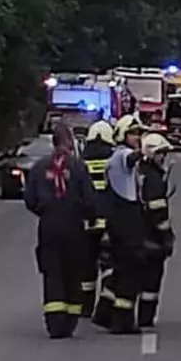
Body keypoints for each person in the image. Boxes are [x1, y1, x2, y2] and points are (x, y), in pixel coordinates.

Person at [23, 122, 95, 338]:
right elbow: (90, 199)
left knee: (52, 274)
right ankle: (70, 321)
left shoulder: (38, 167)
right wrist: (89, 217)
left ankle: (55, 323)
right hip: (73, 227)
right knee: (73, 274)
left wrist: (46, 211)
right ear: (69, 142)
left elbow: (30, 200)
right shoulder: (78, 167)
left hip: (49, 227)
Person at [91, 114, 147, 334]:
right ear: (122, 135)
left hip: (123, 218)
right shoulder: (120, 155)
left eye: (139, 134)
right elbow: (131, 159)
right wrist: (144, 151)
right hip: (125, 220)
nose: (137, 137)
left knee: (120, 271)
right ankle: (122, 320)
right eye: (133, 133)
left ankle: (105, 312)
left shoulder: (118, 156)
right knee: (131, 271)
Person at [137, 133, 175, 327]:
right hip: (151, 238)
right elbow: (158, 210)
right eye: (161, 154)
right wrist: (167, 236)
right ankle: (145, 317)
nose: (164, 158)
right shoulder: (153, 178)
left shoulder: (140, 172)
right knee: (151, 280)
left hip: (137, 235)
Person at [79, 119, 114, 318]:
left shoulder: (81, 163)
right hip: (108, 224)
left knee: (87, 268)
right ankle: (105, 306)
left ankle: (85, 307)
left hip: (87, 225)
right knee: (109, 267)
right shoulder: (114, 160)